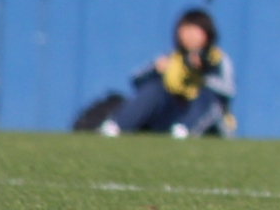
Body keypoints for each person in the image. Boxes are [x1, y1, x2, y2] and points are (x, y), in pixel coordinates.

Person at [99, 8, 235, 138]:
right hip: (173, 115)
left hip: (208, 121)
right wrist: (155, 71)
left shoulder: (217, 58)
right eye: (185, 29)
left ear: (207, 33)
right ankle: (116, 126)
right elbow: (136, 80)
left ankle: (185, 131)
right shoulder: (173, 57)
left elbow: (227, 90)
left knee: (207, 97)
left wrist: (203, 75)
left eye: (194, 30)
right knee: (155, 88)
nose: (189, 35)